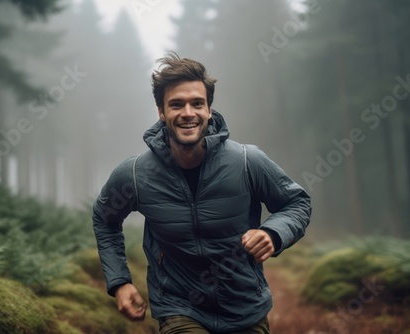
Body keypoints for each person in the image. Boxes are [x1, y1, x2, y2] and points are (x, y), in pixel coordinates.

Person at [92, 52, 311, 334]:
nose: (188, 113)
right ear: (161, 111)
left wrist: (273, 233)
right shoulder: (136, 174)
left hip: (245, 307)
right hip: (179, 307)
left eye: (197, 103)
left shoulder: (247, 162)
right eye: (176, 104)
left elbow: (297, 203)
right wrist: (120, 282)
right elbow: (105, 218)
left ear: (209, 110)